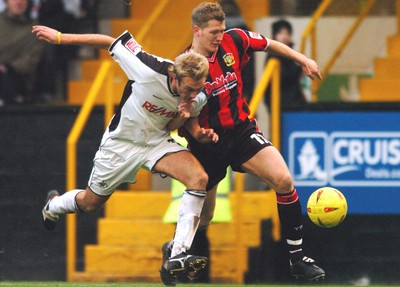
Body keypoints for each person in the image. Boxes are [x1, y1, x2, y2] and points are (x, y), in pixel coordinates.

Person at [32, 25, 219, 285]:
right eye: (188, 89)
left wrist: (196, 130)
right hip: (121, 144)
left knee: (199, 178)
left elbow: (175, 126)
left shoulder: (198, 96)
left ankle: (178, 253)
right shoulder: (147, 68)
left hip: (155, 142)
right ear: (174, 77)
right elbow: (109, 41)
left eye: (197, 90)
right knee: (90, 203)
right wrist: (61, 38)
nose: (192, 94)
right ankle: (53, 205)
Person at [163, 2, 325, 284]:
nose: (218, 37)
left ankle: (297, 259)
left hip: (240, 132)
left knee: (284, 180)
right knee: (205, 218)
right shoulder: (182, 65)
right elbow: (183, 112)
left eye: (221, 30)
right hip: (206, 144)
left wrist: (302, 59)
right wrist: (198, 131)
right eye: (213, 32)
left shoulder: (234, 40)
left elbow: (270, 43)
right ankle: (174, 254)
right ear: (197, 30)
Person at [0, 0, 44, 106]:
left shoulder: (34, 29)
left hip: (19, 80)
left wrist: (8, 67)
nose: (18, 2)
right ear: (6, 2)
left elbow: (31, 60)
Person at [264, 19, 306, 109]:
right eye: (281, 33)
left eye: (287, 33)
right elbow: (284, 77)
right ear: (274, 35)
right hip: (280, 103)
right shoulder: (273, 57)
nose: (284, 36)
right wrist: (299, 69)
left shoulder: (291, 54)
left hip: (292, 101)